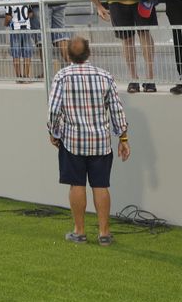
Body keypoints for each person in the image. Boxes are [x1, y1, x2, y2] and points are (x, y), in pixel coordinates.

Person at [47, 36, 130, 246]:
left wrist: (54, 133)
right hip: (101, 142)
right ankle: (104, 233)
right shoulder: (105, 76)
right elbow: (117, 109)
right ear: (89, 53)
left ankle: (80, 231)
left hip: (72, 141)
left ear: (68, 54)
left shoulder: (62, 77)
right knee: (101, 185)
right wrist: (123, 137)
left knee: (77, 185)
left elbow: (54, 111)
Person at [82, 0, 156, 93]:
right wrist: (98, 6)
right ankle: (133, 79)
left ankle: (150, 78)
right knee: (126, 40)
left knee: (144, 35)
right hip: (116, 1)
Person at [3, 0, 37, 83]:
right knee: (27, 52)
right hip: (26, 28)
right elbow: (31, 14)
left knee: (16, 53)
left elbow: (8, 17)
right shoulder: (26, 0)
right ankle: (26, 76)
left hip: (15, 29)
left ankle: (19, 77)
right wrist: (25, 18)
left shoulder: (9, 3)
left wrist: (5, 23)